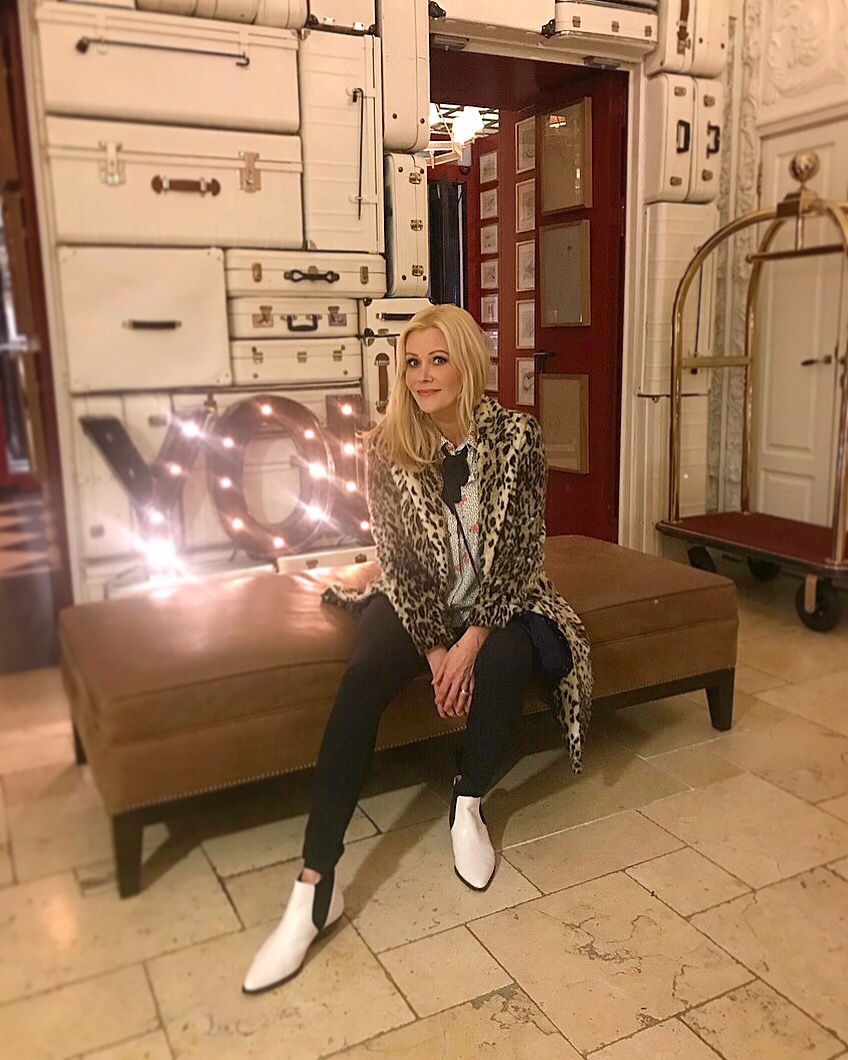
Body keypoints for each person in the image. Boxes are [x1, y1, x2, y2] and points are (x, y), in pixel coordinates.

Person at [242, 303, 592, 995]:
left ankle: (468, 802)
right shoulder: (387, 445)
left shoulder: (518, 438)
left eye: (438, 359)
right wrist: (438, 651)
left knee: (505, 659)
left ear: (468, 365)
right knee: (362, 680)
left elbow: (521, 553)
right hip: (418, 597)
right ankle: (315, 886)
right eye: (412, 362)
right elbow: (399, 562)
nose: (423, 375)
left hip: (499, 600)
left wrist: (473, 641)